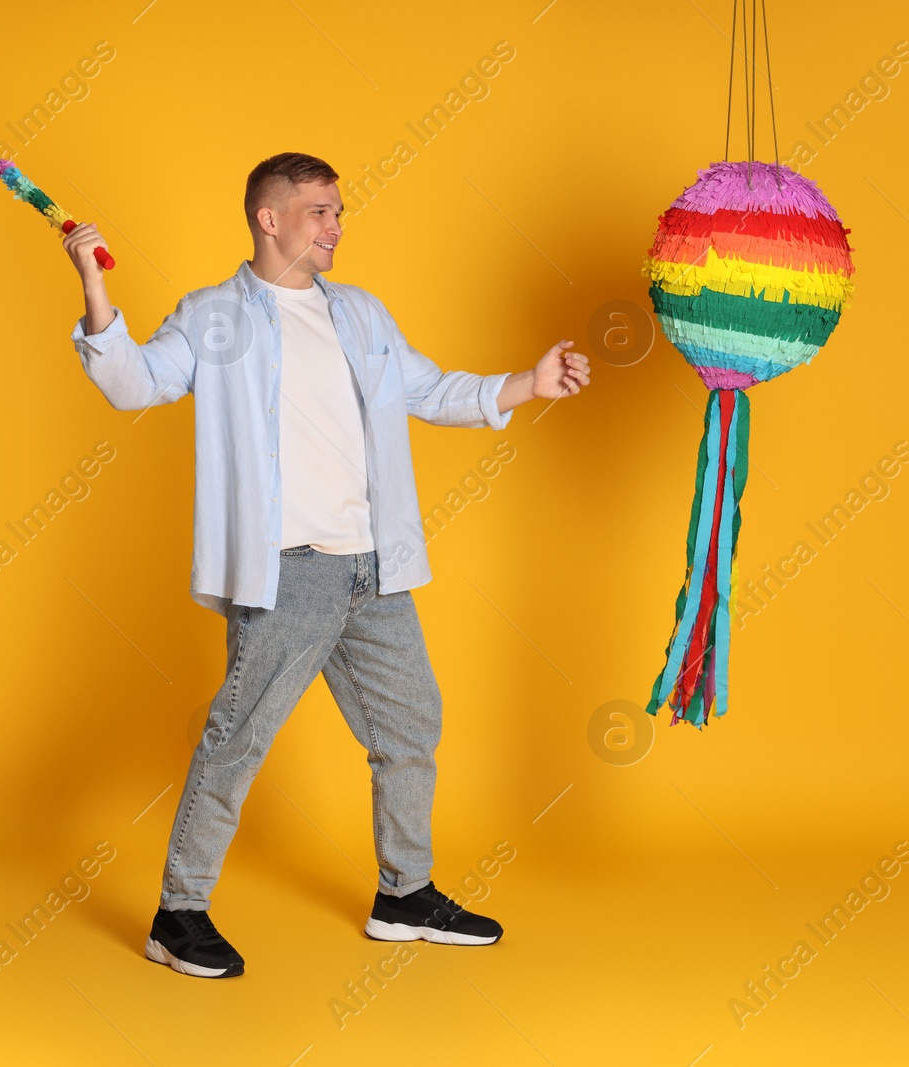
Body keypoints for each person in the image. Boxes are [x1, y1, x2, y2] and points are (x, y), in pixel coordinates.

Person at [65, 151, 590, 979]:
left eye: (340, 211)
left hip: (373, 567)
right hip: (288, 572)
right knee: (238, 739)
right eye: (320, 211)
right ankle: (178, 913)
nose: (337, 225)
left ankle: (404, 894)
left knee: (411, 726)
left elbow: (428, 388)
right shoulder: (212, 316)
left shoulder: (362, 313)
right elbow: (135, 385)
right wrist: (96, 289)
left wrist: (528, 382)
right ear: (269, 219)